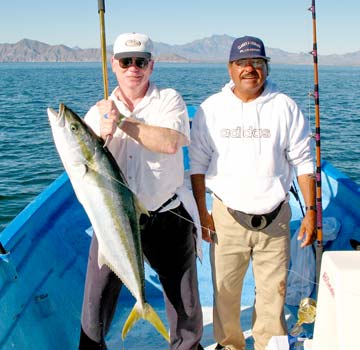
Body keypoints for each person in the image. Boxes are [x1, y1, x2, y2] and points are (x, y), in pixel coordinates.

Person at [189, 36, 316, 350]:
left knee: (274, 294)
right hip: (226, 217)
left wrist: (311, 212)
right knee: (225, 292)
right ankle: (230, 344)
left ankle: (269, 345)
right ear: (230, 68)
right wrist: (202, 214)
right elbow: (197, 165)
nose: (250, 69)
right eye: (242, 63)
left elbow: (303, 162)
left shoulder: (285, 107)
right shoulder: (211, 109)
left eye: (257, 63)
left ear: (266, 67)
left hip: (274, 219)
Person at [78, 32, 204, 350]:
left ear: (151, 65)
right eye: (126, 61)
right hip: (113, 218)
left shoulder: (169, 100)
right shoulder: (97, 113)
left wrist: (122, 123)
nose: (133, 68)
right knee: (94, 307)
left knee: (184, 306)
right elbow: (81, 165)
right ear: (114, 65)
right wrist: (99, 135)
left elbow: (170, 142)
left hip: (166, 214)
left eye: (141, 61)